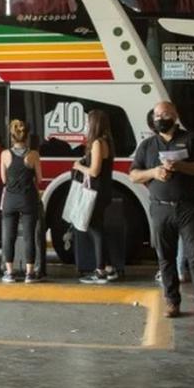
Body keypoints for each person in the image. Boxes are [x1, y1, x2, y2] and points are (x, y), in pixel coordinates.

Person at [130, 102, 194, 320]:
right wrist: (154, 173)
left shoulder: (191, 140)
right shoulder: (148, 145)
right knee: (165, 257)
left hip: (188, 207)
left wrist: (180, 166)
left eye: (165, 114)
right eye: (157, 115)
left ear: (175, 116)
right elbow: (134, 175)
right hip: (160, 209)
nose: (160, 118)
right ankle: (172, 302)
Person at [76, 110, 120, 284]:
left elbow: (94, 171)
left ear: (94, 124)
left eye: (88, 122)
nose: (86, 125)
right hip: (104, 191)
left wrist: (78, 166)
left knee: (95, 229)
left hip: (95, 192)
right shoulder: (106, 141)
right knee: (98, 227)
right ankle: (108, 267)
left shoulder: (96, 143)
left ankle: (100, 270)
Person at [0, 119, 41, 283]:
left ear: (12, 136)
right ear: (26, 136)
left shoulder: (4, 154)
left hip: (10, 199)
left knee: (9, 236)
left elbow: (3, 179)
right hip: (28, 199)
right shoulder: (33, 154)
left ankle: (9, 272)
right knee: (29, 236)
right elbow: (40, 178)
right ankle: (29, 274)